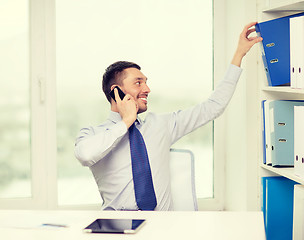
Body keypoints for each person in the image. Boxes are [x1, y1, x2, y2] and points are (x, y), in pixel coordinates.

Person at [74, 22, 262, 211]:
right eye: (138, 83)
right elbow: (85, 155)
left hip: (163, 226)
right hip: (116, 227)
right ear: (116, 92)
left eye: (146, 82)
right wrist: (125, 122)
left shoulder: (161, 125)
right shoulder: (93, 134)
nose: (147, 89)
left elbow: (213, 107)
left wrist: (239, 54)